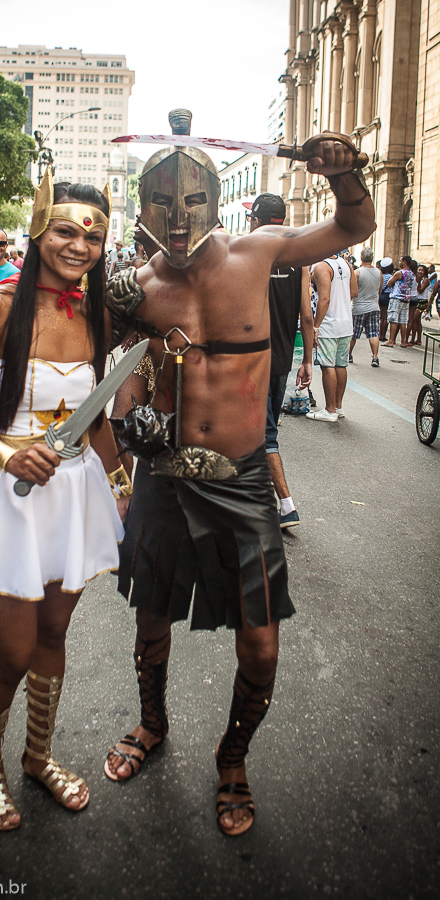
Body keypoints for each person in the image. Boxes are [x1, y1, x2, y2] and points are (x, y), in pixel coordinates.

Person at [103, 116, 376, 837]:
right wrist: (130, 426)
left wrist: (341, 170)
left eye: (193, 203)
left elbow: (354, 224)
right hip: (164, 478)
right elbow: (119, 367)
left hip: (242, 480)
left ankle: (233, 758)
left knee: (260, 642)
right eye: (164, 205)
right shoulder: (138, 286)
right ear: (145, 209)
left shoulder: (261, 251)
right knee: (150, 620)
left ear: (213, 200)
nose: (180, 218)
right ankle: (152, 723)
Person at [0, 174, 127, 831]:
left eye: (93, 234)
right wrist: (6, 452)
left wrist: (121, 485)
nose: (80, 245)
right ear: (41, 228)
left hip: (72, 497)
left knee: (54, 633)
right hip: (6, 493)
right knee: (11, 653)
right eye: (67, 230)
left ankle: (38, 757)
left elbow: (93, 417)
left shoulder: (98, 315)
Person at [245, 193, 313, 528]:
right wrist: (309, 361)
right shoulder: (300, 260)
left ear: (256, 221)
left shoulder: (248, 255)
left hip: (253, 362)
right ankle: (257, 499)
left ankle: (287, 506)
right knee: (259, 432)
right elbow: (308, 317)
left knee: (265, 434)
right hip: (283, 361)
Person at [306, 253, 356, 422]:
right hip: (346, 323)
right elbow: (354, 292)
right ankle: (338, 406)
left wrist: (316, 326)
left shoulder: (321, 267)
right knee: (341, 365)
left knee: (328, 366)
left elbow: (324, 299)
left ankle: (329, 409)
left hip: (328, 324)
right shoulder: (346, 264)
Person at [349, 246, 383, 367]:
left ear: (361, 258)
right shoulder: (378, 272)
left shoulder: (357, 272)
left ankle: (349, 355)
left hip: (358, 308)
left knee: (353, 334)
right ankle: (375, 357)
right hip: (374, 307)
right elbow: (380, 289)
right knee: (374, 333)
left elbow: (352, 290)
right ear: (372, 258)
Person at [383, 255, 416, 348]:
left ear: (404, 261)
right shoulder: (411, 273)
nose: (399, 262)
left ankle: (391, 340)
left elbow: (389, 282)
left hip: (397, 297)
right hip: (406, 298)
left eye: (400, 261)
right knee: (403, 321)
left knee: (393, 320)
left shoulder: (400, 273)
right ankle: (403, 341)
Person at [378, 257, 394, 341]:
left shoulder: (380, 276)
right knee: (385, 317)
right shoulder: (391, 277)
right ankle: (382, 335)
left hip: (380, 296)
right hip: (387, 296)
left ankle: (380, 333)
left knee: (381, 317)